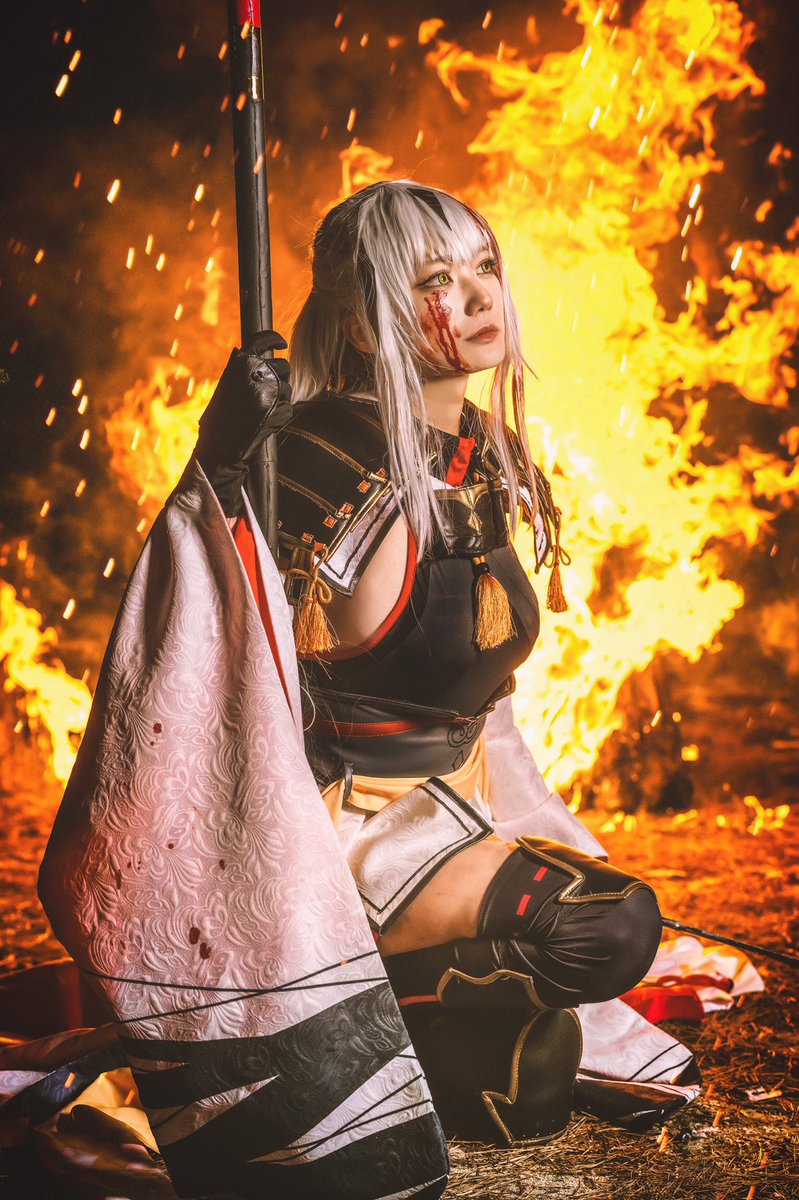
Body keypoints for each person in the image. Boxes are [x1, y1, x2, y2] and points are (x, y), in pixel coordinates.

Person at [195, 181, 670, 1144]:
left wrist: (522, 822)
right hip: (344, 838)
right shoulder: (307, 458)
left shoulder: (483, 452)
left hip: (455, 808)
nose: (480, 296)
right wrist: (219, 467)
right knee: (607, 923)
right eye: (433, 283)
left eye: (483, 267)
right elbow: (195, 636)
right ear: (361, 326)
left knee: (527, 1097)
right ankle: (365, 996)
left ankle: (419, 1014)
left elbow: (481, 701)